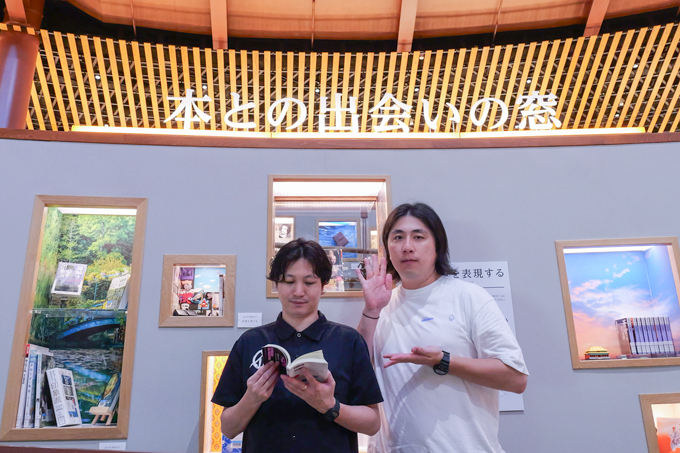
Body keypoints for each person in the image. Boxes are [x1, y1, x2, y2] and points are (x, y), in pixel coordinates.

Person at [356, 202, 528, 453]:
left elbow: (516, 378)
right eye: (398, 237)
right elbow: (357, 371)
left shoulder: (469, 296)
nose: (407, 247)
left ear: (438, 246)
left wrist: (444, 361)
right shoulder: (381, 306)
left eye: (418, 237)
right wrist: (371, 310)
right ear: (387, 249)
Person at [212, 238, 382, 453]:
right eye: (289, 281)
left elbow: (372, 423)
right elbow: (228, 429)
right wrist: (251, 399)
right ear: (276, 284)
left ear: (323, 285)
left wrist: (330, 406)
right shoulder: (250, 341)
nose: (299, 291)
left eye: (309, 282)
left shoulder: (348, 341)